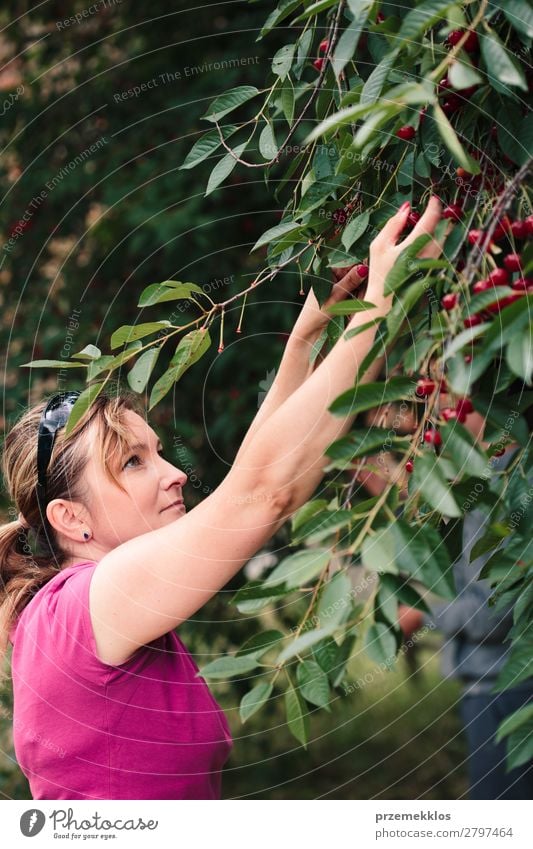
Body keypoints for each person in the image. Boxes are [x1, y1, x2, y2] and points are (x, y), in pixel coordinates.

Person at [0, 197, 445, 800]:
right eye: (133, 462)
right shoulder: (88, 604)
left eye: (157, 451)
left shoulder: (86, 606)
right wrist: (380, 308)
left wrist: (306, 341)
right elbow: (263, 493)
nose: (174, 473)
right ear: (69, 517)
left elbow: (253, 478)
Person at [396, 401, 533, 800]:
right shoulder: (482, 481)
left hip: (505, 686)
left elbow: (495, 609)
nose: (440, 415)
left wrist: (423, 614)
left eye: (453, 403)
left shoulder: (504, 488)